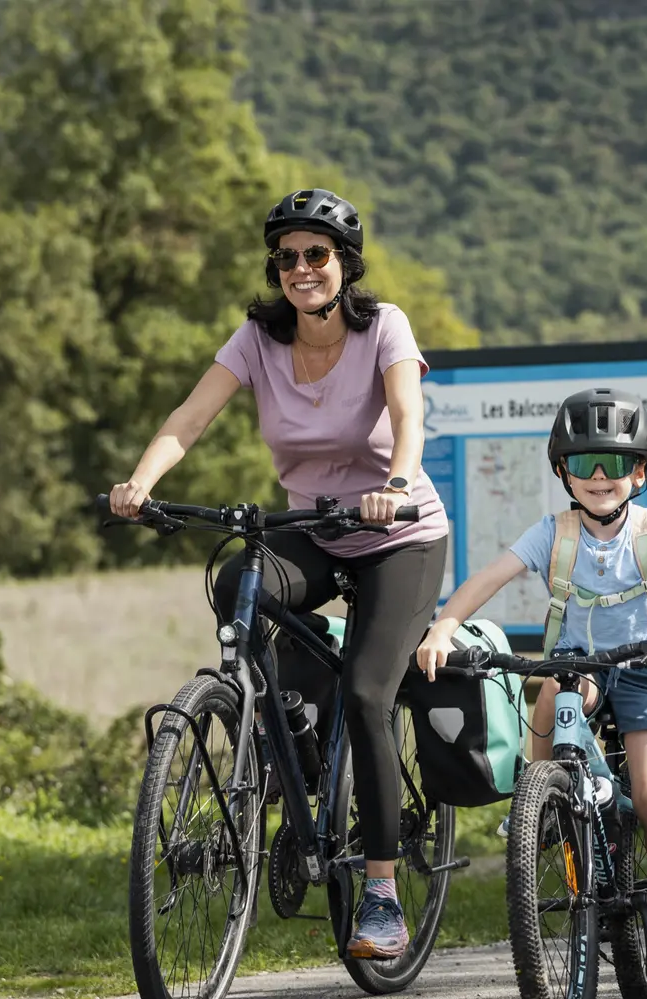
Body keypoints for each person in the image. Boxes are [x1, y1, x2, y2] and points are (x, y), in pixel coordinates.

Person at [109, 188, 448, 959]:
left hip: (399, 533)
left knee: (368, 692)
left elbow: (407, 415)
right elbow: (189, 418)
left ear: (344, 265)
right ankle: (289, 728)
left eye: (316, 255)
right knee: (236, 584)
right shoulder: (258, 338)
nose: (301, 269)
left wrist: (395, 488)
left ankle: (384, 896)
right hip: (316, 530)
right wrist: (142, 482)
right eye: (288, 257)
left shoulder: (383, 326)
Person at [413, 389, 647, 967]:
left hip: (644, 666)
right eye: (583, 465)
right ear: (563, 472)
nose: (599, 477)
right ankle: (542, 800)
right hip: (579, 663)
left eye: (614, 465)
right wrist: (444, 626)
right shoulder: (553, 533)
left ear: (641, 471)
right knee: (549, 691)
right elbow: (489, 579)